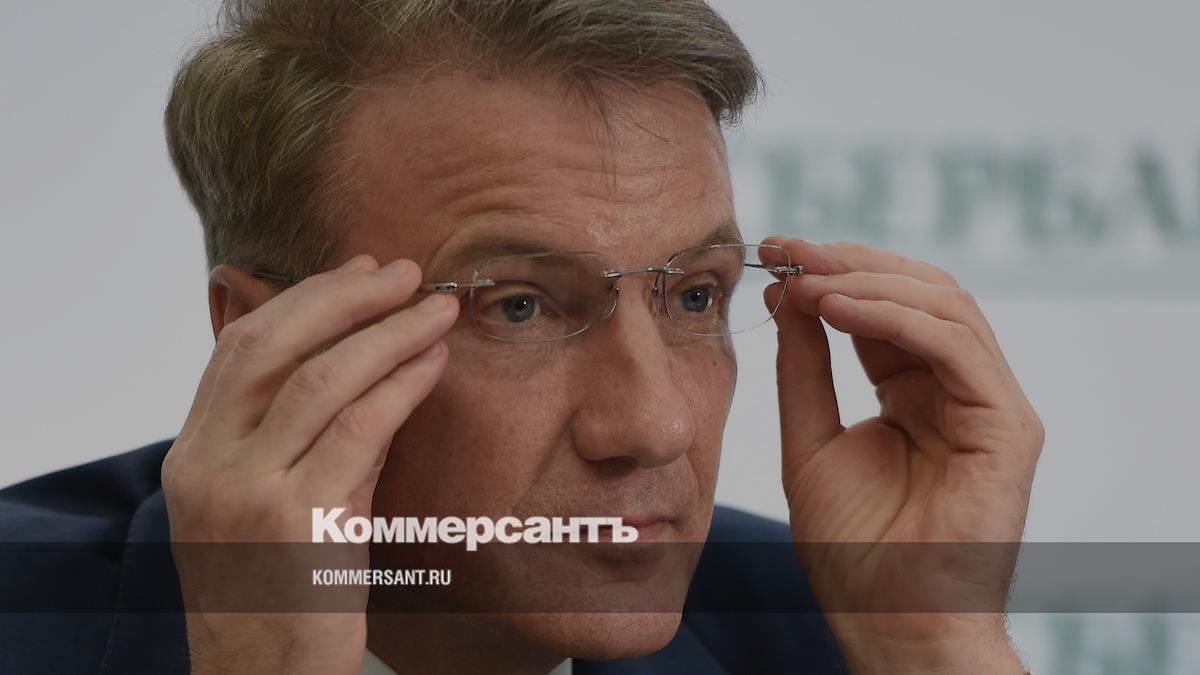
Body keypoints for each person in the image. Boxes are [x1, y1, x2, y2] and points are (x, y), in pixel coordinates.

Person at [0, 1, 1043, 673]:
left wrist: (933, 645)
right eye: (519, 306)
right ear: (261, 338)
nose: (655, 425)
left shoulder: (812, 621)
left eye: (693, 297)